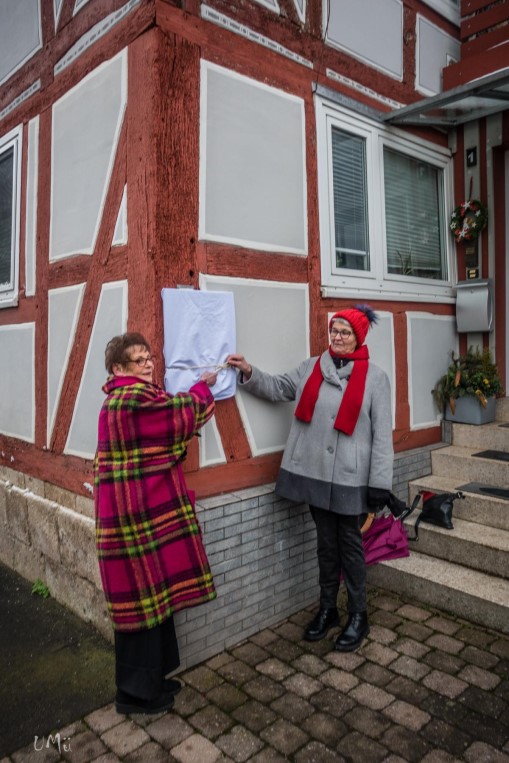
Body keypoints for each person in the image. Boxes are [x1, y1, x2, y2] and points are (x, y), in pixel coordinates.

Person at [227, 305, 393, 652]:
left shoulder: (376, 379)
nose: (337, 337)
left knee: (350, 548)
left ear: (359, 337)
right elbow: (278, 388)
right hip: (316, 476)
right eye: (334, 330)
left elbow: (382, 438)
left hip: (351, 480)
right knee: (326, 546)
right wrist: (247, 371)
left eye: (345, 332)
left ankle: (359, 616)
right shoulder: (311, 367)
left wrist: (380, 485)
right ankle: (329, 609)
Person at [94, 332, 218, 714]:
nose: (148, 364)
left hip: (134, 515)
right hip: (135, 520)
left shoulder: (119, 401)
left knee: (151, 602)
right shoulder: (131, 398)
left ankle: (152, 681)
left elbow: (160, 444)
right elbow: (178, 414)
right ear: (118, 369)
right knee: (141, 610)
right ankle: (136, 697)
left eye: (149, 357)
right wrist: (203, 386)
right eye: (138, 360)